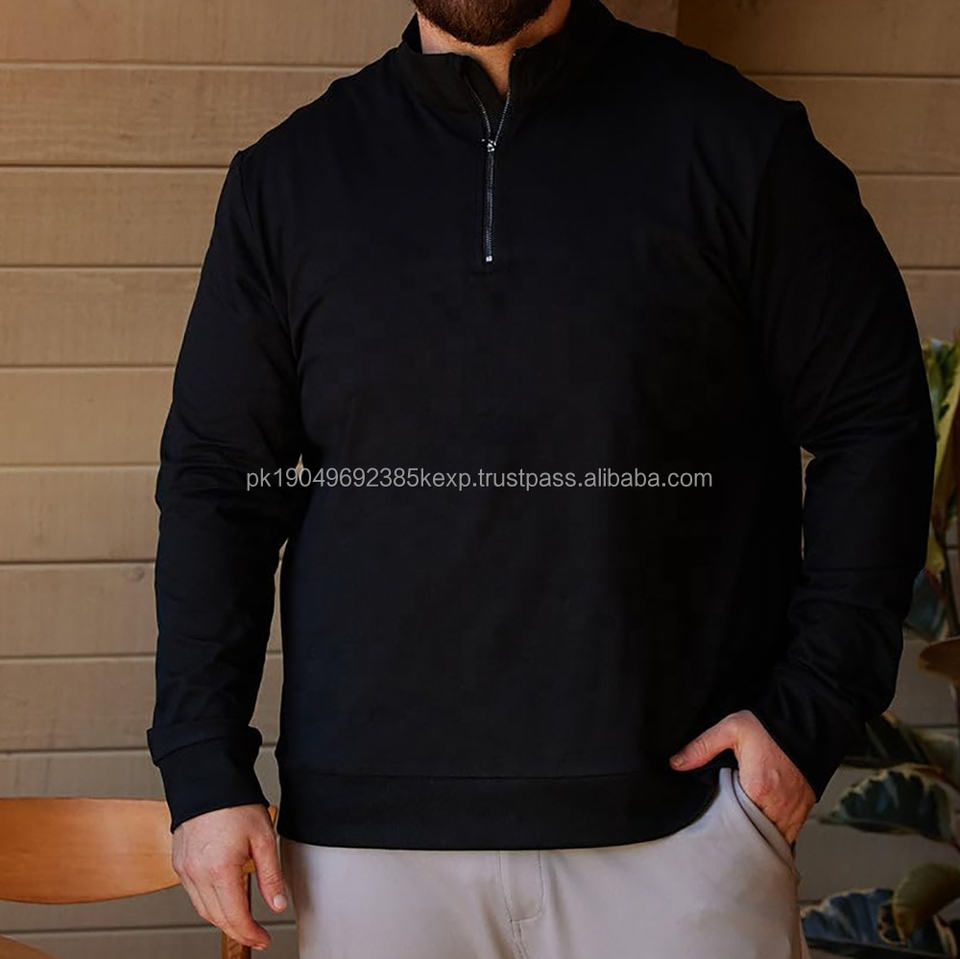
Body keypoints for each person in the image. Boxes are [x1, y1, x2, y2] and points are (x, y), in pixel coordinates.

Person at [146, 0, 936, 955]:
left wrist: (808, 717)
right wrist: (203, 763)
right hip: (369, 848)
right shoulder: (288, 180)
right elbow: (220, 480)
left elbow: (876, 423)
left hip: (681, 834)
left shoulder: (740, 145)